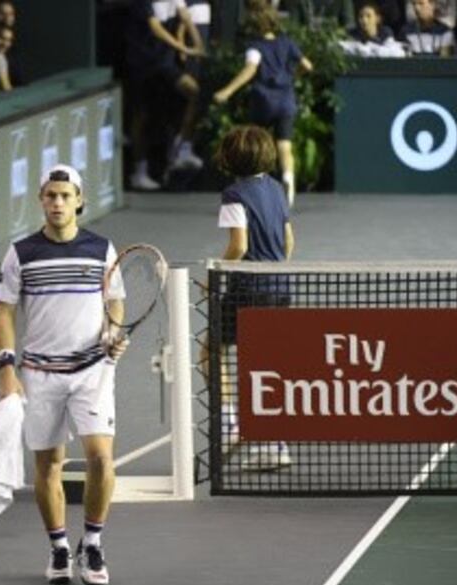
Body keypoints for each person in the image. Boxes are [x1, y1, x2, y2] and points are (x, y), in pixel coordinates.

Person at [0, 164, 127, 585]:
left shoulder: (102, 250)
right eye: (50, 195)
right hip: (39, 373)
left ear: (79, 201)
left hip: (92, 371)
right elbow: (3, 311)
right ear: (41, 201)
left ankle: (92, 543)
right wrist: (6, 370)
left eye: (65, 196)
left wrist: (112, 332)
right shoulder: (20, 253)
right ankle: (58, 548)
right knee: (48, 465)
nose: (57, 203)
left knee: (101, 459)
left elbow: (116, 302)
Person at [208, 124, 294, 471]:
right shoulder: (277, 188)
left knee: (210, 349)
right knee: (265, 363)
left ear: (231, 157)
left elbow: (239, 245)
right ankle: (275, 445)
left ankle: (231, 424)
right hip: (280, 287)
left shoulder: (233, 194)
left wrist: (215, 273)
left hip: (248, 288)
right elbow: (289, 241)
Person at [213, 0, 313, 207]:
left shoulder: (255, 47)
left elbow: (250, 70)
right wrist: (293, 77)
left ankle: (255, 190)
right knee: (284, 145)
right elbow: (307, 65)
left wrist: (227, 91)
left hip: (263, 102)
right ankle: (288, 181)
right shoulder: (287, 42)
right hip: (286, 100)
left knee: (256, 146)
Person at [123, 0, 206, 191]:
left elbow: (185, 16)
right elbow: (156, 28)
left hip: (165, 63)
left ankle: (181, 149)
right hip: (143, 63)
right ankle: (140, 172)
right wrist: (183, 48)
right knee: (142, 116)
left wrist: (198, 44)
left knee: (193, 93)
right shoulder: (143, 4)